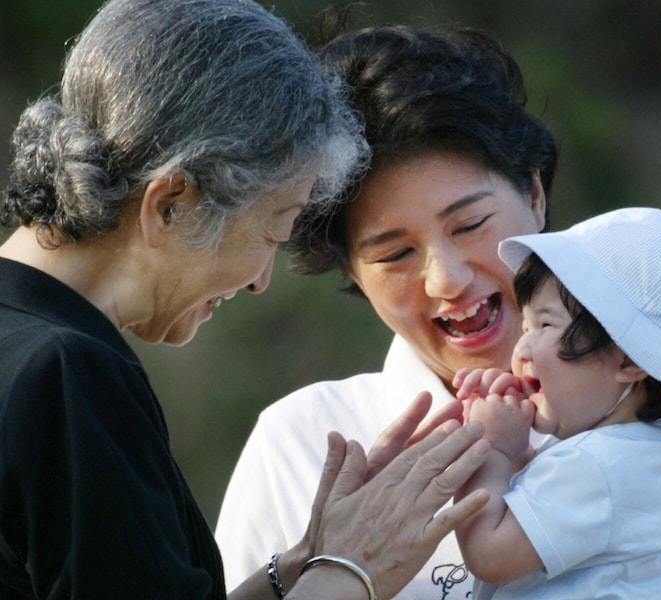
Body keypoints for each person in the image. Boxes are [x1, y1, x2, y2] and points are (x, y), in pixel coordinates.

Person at [215, 19, 661, 600]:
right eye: (393, 253)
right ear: (352, 273)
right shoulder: (302, 442)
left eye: (470, 224)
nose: (447, 278)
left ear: (536, 195)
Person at [0, 1, 495, 598]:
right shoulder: (63, 374)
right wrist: (353, 573)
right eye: (272, 230)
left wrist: (309, 560)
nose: (261, 280)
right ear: (171, 202)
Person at [453, 206, 661, 598]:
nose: (521, 347)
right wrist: (512, 443)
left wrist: (491, 449)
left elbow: (489, 553)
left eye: (546, 325)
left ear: (629, 359)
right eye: (526, 325)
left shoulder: (598, 467)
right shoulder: (648, 452)